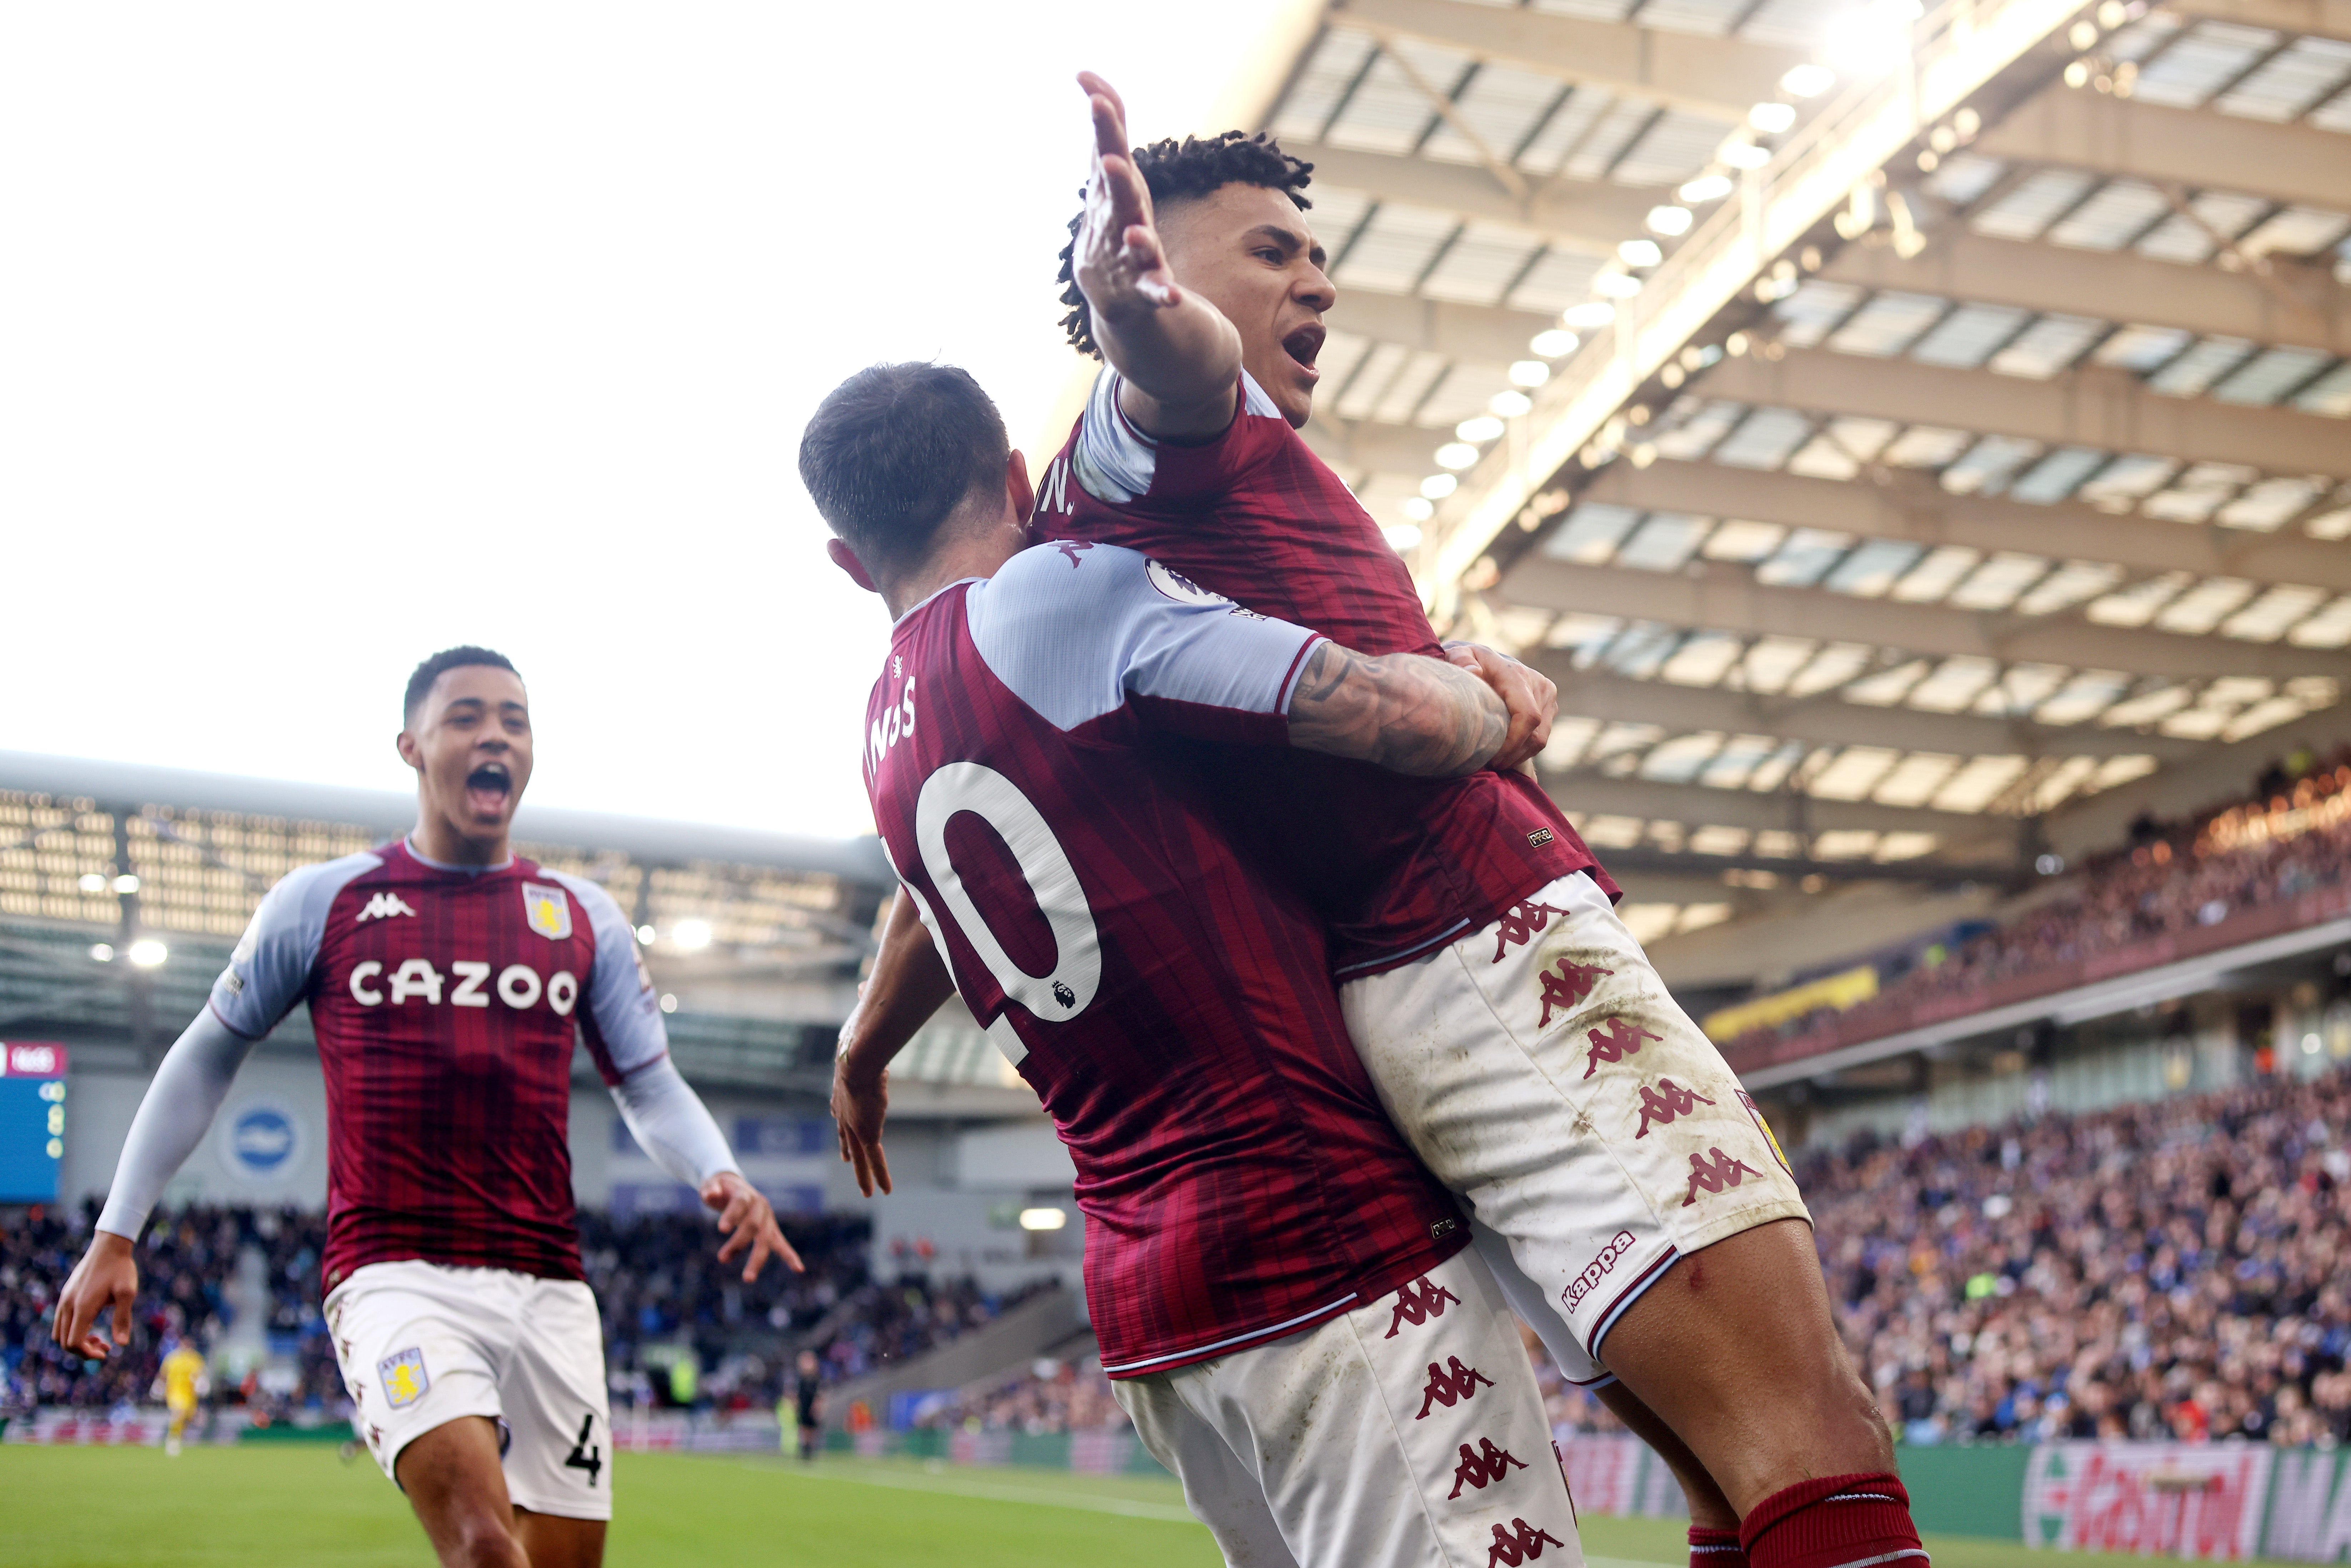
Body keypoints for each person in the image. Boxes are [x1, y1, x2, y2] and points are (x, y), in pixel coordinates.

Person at [806, 360, 1580, 1568]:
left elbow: (922, 905)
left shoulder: (884, 735)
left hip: (1151, 1311)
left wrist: (860, 1051)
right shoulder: (1057, 600)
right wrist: (1497, 702)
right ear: (1016, 479)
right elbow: (1390, 713)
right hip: (1325, 1246)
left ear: (851, 563)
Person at [53, 646, 799, 1568]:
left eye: (515, 721)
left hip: (551, 1289)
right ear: (411, 746)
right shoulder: (324, 903)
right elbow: (209, 1051)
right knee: (485, 1548)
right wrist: (117, 1231)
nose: (495, 735)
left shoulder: (581, 918)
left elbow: (646, 1083)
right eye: (467, 718)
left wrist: (718, 1170)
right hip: (393, 1273)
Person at [156, 1335, 209, 1457]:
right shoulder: (173, 1359)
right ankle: (172, 1440)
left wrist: (202, 1385)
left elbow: (201, 1375)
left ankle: (177, 1439)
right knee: (178, 1413)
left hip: (190, 1395)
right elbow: (164, 1374)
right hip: (175, 1392)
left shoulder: (196, 1359)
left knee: (186, 1418)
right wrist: (159, 1386)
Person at [793, 1349, 822, 1463]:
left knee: (811, 1429)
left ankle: (809, 1450)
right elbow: (798, 1395)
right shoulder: (802, 1380)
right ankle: (805, 1449)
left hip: (811, 1407)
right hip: (804, 1406)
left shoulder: (815, 1380)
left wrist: (817, 1406)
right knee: (804, 1428)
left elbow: (819, 1395)